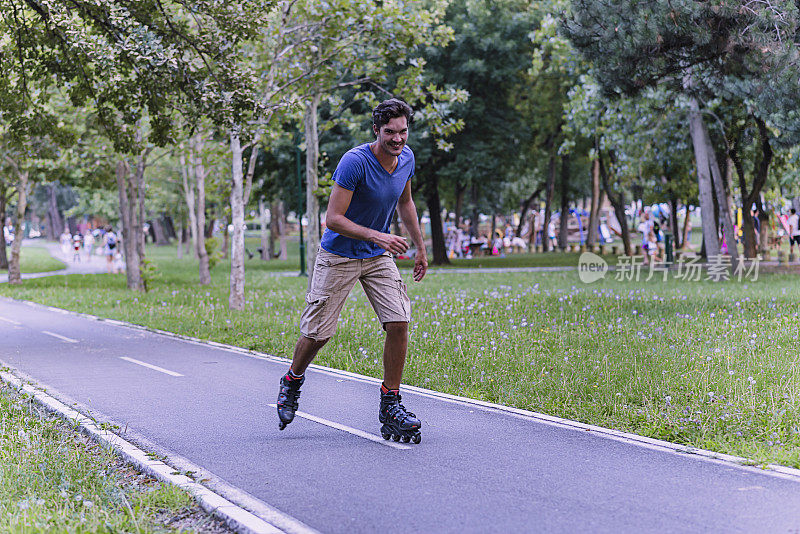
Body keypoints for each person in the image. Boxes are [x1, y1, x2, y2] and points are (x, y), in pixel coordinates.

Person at [276, 98, 428, 444]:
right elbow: (334, 219)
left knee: (399, 321)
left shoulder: (407, 159)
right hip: (339, 254)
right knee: (318, 333)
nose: (397, 139)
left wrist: (420, 247)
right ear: (376, 130)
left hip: (376, 255)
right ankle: (293, 380)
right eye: (390, 132)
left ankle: (391, 402)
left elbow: (405, 203)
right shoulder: (354, 162)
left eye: (403, 131)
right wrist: (378, 234)